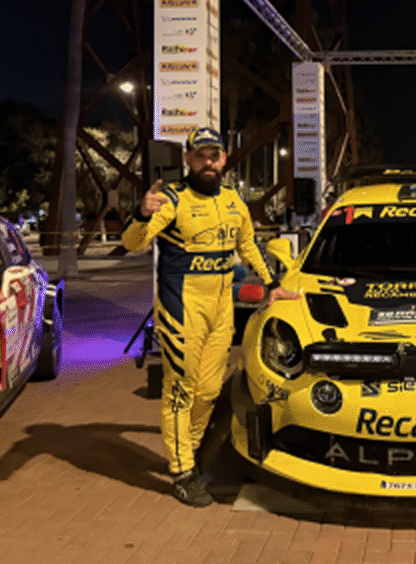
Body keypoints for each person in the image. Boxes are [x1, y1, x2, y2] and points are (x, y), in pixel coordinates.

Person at [122, 127, 294, 507]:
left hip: (220, 310)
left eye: (214, 155)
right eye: (201, 155)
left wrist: (271, 284)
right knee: (181, 388)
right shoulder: (171, 199)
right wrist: (140, 213)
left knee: (211, 391)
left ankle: (191, 453)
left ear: (224, 159)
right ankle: (182, 470)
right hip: (181, 308)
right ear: (188, 159)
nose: (209, 162)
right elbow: (132, 243)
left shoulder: (234, 200)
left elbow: (248, 244)